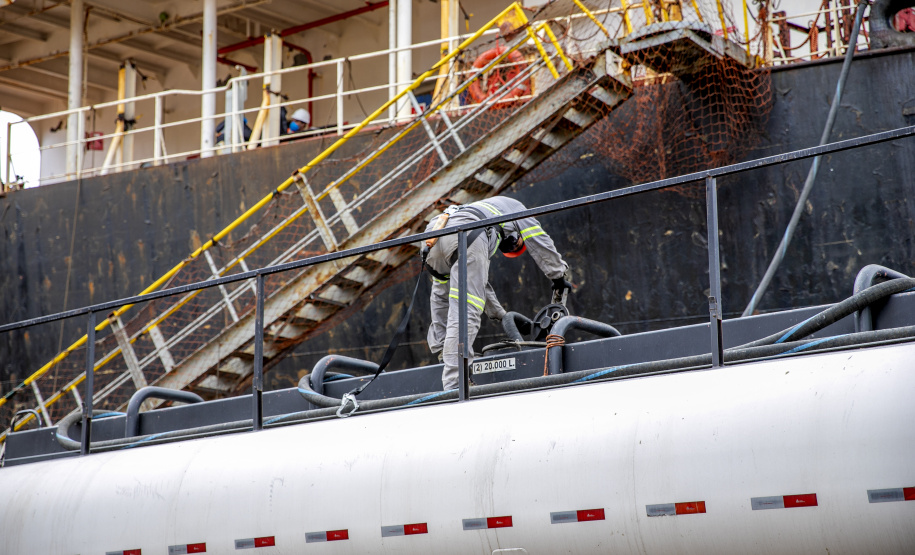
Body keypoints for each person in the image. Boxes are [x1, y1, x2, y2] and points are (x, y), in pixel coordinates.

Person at [424, 196, 571, 391]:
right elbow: (538, 238)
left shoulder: (486, 209)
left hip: (431, 237)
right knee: (465, 312)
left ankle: (444, 354)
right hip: (467, 234)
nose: (512, 247)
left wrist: (501, 316)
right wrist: (558, 275)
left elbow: (478, 285)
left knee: (441, 300)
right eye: (517, 245)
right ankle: (455, 386)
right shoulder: (515, 207)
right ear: (518, 235)